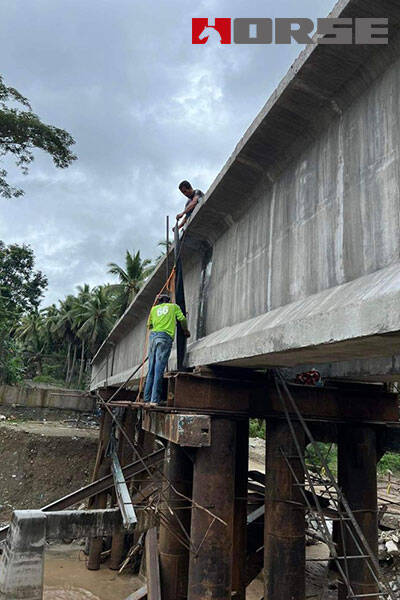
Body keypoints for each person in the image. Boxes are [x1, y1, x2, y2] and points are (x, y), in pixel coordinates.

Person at [144, 292, 190, 405]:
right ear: (168, 301)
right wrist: (185, 330)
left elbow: (149, 325)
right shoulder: (174, 307)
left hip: (153, 337)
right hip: (165, 337)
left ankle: (146, 398)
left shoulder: (154, 309)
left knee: (151, 369)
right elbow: (182, 319)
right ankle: (154, 400)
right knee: (159, 369)